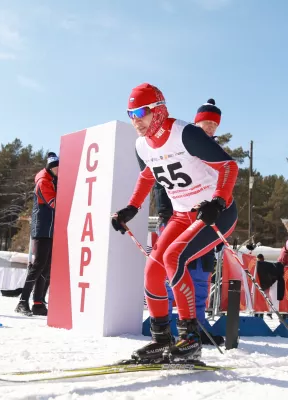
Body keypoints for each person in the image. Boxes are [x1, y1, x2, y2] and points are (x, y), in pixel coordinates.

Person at [112, 83, 238, 362]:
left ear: (157, 110)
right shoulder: (141, 145)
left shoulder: (185, 134)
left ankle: (191, 337)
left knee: (173, 257)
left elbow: (229, 166)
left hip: (217, 213)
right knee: (152, 270)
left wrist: (217, 202)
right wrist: (131, 208)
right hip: (183, 214)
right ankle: (161, 341)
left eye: (141, 112)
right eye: (130, 113)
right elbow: (148, 175)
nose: (136, 120)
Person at [152, 98, 225, 345]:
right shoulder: (180, 143)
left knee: (202, 274)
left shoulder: (216, 152)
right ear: (197, 122)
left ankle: (199, 327)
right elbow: (163, 180)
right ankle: (171, 324)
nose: (210, 129)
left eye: (214, 126)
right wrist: (165, 212)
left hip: (207, 221)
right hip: (179, 218)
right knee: (174, 268)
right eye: (206, 123)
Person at [16, 153, 59, 316]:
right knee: (38, 265)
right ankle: (22, 301)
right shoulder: (44, 181)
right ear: (50, 168)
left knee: (46, 267)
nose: (59, 170)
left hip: (51, 229)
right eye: (56, 167)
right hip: (42, 229)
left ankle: (38, 303)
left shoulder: (53, 179)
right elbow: (54, 203)